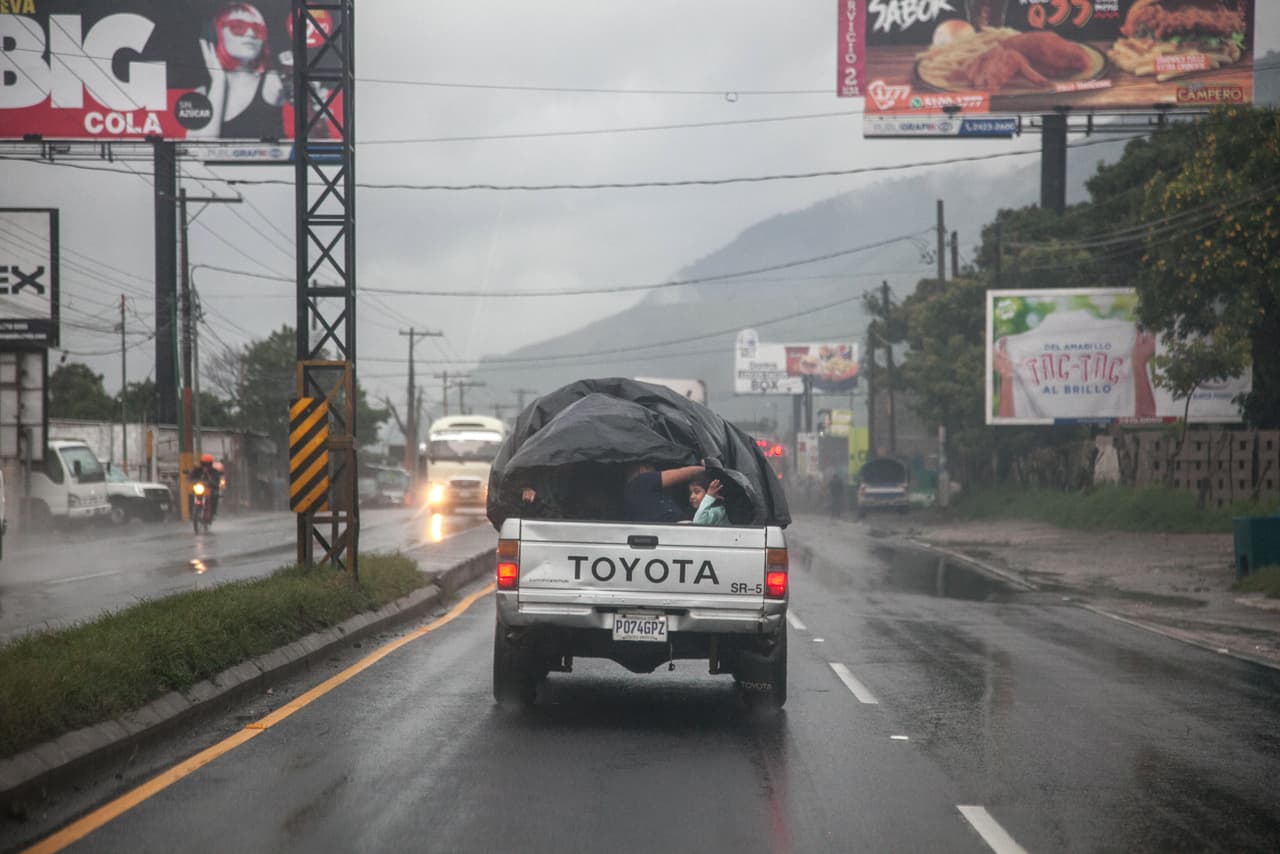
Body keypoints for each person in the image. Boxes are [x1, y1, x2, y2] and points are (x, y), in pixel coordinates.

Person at [191, 3, 287, 139]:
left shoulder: (273, 82)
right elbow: (200, 150)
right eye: (238, 27)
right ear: (216, 35)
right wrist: (219, 81)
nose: (251, 34)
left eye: (258, 29)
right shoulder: (200, 95)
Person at [622, 462, 705, 524]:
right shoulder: (642, 481)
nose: (655, 470)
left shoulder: (636, 493)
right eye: (650, 466)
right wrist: (705, 469)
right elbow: (686, 473)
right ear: (642, 468)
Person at [188, 454, 221, 519]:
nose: (206, 466)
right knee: (191, 495)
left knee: (215, 496)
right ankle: (191, 512)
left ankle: (213, 512)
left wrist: (212, 482)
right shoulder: (197, 470)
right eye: (204, 464)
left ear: (210, 464)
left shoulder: (214, 471)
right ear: (201, 463)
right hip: (199, 488)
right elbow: (191, 476)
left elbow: (217, 479)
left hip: (209, 489)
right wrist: (191, 479)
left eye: (208, 464)